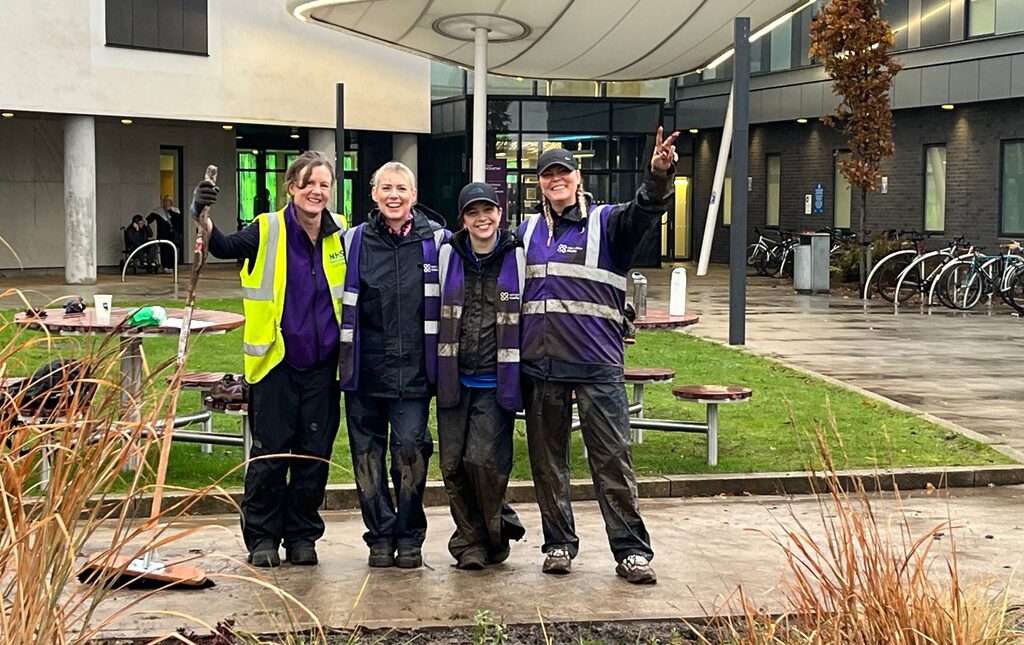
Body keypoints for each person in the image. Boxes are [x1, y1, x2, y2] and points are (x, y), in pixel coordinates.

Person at [517, 126, 679, 585]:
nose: (555, 181)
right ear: (540, 184)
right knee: (548, 466)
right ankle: (558, 545)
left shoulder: (608, 223)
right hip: (542, 368)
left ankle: (631, 551)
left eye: (562, 173)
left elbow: (646, 212)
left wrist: (658, 178)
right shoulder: (526, 231)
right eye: (548, 175)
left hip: (596, 366)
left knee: (610, 460)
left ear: (578, 176)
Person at [190, 151, 347, 568]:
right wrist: (201, 214)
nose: (316, 191)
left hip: (323, 369)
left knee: (313, 459)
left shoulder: (342, 234)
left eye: (324, 184)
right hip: (276, 366)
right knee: (271, 457)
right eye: (308, 183)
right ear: (292, 187)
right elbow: (222, 246)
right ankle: (262, 538)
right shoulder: (268, 229)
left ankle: (302, 537)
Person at [338, 161, 447, 569]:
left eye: (401, 188)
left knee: (409, 451)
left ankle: (409, 535)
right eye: (386, 188)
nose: (394, 196)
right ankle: (379, 536)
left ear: (414, 196)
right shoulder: (354, 241)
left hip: (414, 374)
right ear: (373, 194)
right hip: (363, 371)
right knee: (366, 457)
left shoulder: (438, 242)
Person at [435, 182, 526, 570]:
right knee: (453, 466)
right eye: (473, 213)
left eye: (488, 210)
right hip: (454, 380)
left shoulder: (518, 255)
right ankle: (470, 543)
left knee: (484, 462)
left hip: (496, 382)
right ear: (463, 220)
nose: (481, 218)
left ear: (499, 214)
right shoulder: (447, 255)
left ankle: (494, 534)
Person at [148, 195, 181, 272]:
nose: (167, 202)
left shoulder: (175, 211)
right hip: (162, 234)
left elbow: (178, 221)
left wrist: (170, 211)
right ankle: (165, 266)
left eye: (169, 201)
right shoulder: (158, 211)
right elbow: (149, 219)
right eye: (165, 201)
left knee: (172, 250)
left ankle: (172, 266)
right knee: (164, 250)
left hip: (172, 235)